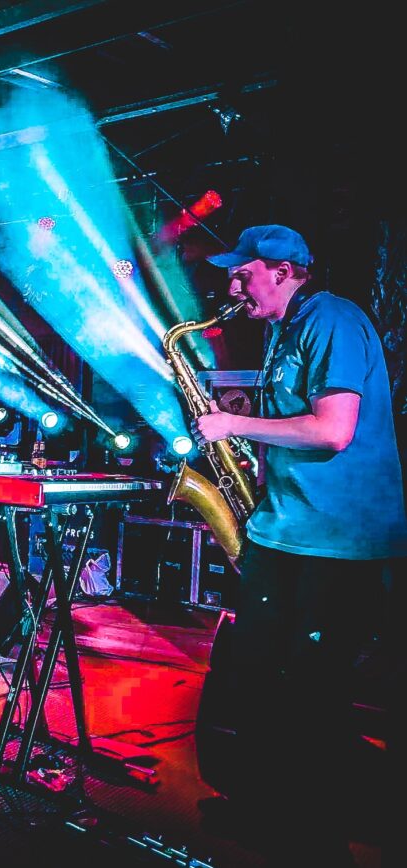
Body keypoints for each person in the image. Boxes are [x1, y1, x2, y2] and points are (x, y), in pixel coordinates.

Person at [193, 224, 406, 865]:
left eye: (243, 273)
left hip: (336, 543)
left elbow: (334, 430)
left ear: (283, 271)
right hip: (287, 532)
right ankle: (263, 809)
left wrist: (233, 423)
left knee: (313, 695)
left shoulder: (332, 319)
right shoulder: (283, 330)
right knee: (256, 677)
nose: (233, 286)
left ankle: (316, 841)